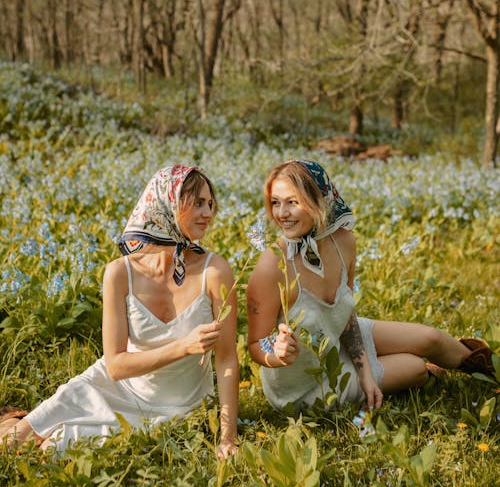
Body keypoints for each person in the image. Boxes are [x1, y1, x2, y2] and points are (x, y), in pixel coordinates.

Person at [1, 164, 239, 459]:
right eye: (197, 203)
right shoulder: (119, 273)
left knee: (50, 451)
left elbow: (227, 358)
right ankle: (14, 422)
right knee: (9, 444)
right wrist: (183, 346)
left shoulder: (215, 271)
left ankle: (20, 421)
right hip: (109, 387)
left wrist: (228, 438)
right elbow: (115, 366)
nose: (208, 213)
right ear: (165, 204)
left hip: (175, 406)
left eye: (210, 204)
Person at [247, 159, 495, 413]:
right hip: (307, 385)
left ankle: (491, 370)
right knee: (415, 367)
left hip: (336, 339)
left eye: (292, 202)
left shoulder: (343, 241)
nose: (281, 214)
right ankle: (429, 374)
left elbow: (345, 313)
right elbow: (256, 343)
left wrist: (365, 371)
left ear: (319, 200)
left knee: (431, 338)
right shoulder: (273, 264)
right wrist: (277, 354)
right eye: (276, 203)